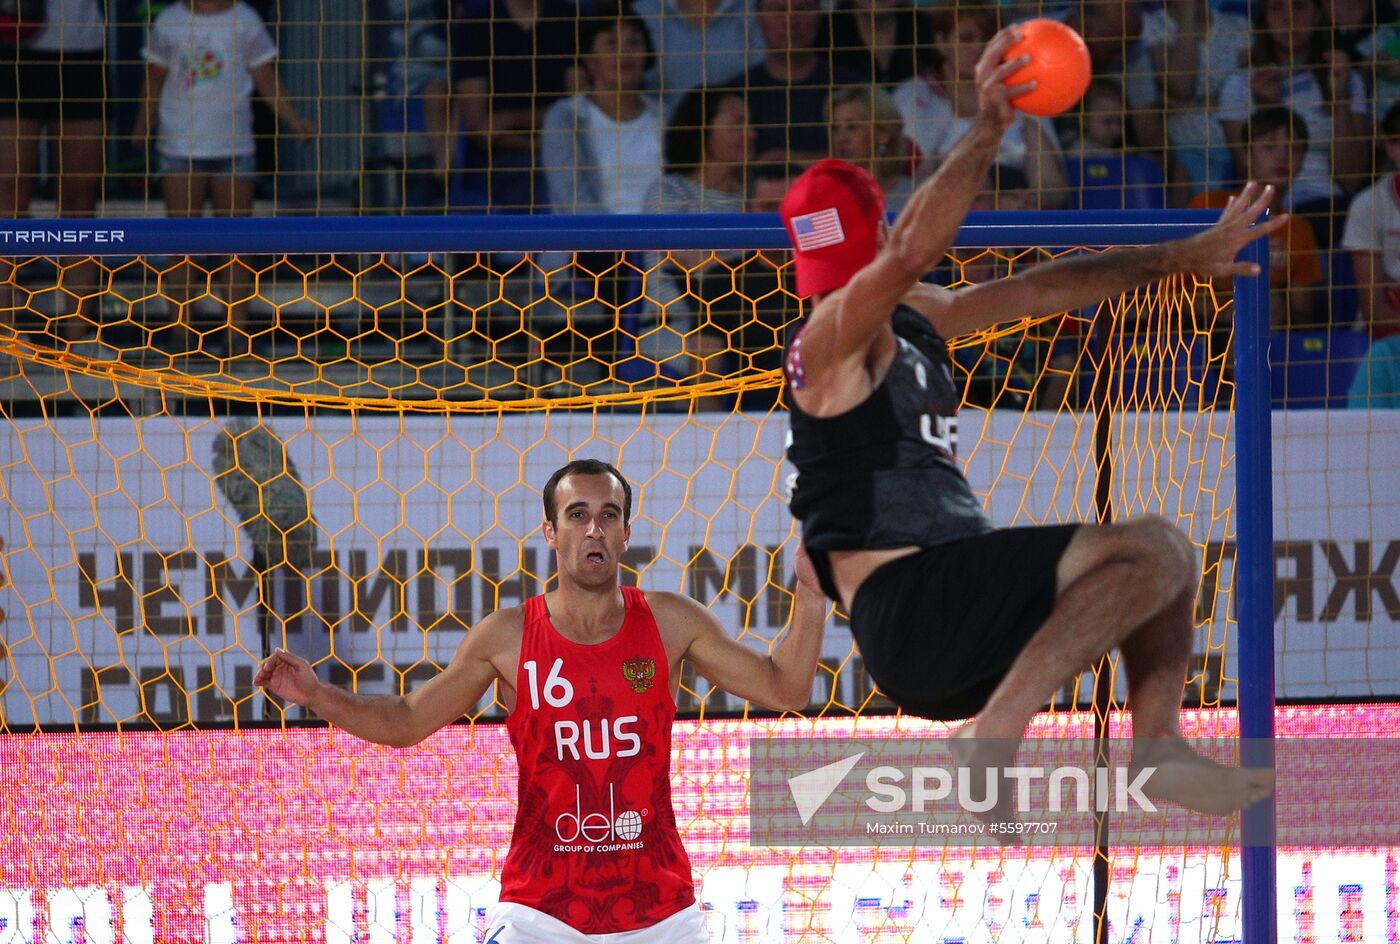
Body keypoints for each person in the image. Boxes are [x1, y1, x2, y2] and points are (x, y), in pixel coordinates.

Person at [778, 26, 1279, 821]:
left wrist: (1183, 255)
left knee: (1161, 564)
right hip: (911, 606)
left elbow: (1045, 291)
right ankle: (999, 733)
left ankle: (1154, 748)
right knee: (1152, 545)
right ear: (874, 239)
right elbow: (909, 255)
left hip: (953, 616)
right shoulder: (825, 342)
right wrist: (989, 125)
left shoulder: (915, 315)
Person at [255, 458, 828, 941]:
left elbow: (787, 687)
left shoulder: (672, 622)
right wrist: (317, 694)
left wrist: (808, 587)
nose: (594, 529)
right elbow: (408, 720)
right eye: (577, 515)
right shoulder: (507, 636)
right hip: (539, 914)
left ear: (627, 532)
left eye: (609, 515)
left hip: (661, 914)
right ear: (552, 532)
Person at [135, 0, 314, 355]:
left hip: (234, 146)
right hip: (179, 145)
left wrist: (294, 120)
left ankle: (235, 336)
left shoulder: (246, 19)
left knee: (236, 246)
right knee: (181, 245)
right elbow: (153, 78)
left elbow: (266, 77)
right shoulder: (170, 21)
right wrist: (143, 122)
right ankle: (182, 334)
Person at [1, 0, 107, 348]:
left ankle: (80, 337)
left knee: (79, 200)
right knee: (8, 199)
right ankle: (5, 334)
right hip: (13, 46)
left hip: (82, 50)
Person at [1189, 107, 1324, 329]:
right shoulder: (1207, 206)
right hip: (1205, 327)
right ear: (1246, 155)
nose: (1283, 156)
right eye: (1269, 146)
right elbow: (1175, 293)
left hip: (1271, 328)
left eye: (1294, 148)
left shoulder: (1299, 230)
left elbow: (1302, 312)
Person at [1340, 101, 1400, 339]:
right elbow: (1374, 311)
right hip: (1384, 341)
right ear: (1389, 147)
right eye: (1398, 141)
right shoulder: (1368, 204)